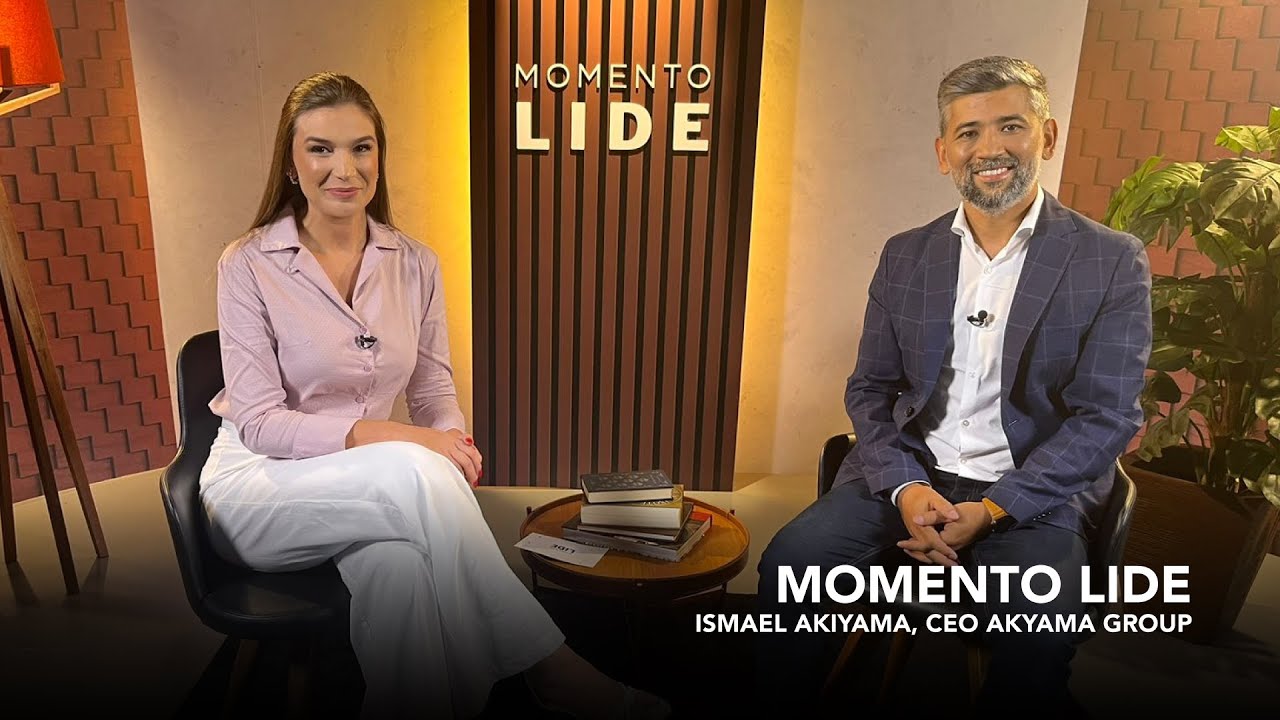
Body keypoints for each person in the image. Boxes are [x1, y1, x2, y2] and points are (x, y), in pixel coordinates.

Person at [198, 72, 671, 720]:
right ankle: (554, 670)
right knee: (416, 470)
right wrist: (414, 443)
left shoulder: (415, 262)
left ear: (380, 157)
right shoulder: (247, 263)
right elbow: (259, 424)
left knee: (400, 572)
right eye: (321, 148)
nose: (345, 169)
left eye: (362, 147)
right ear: (290, 162)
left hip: (373, 483)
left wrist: (450, 440)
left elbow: (432, 388)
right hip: (260, 487)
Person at [755, 56, 1152, 716]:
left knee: (1041, 629)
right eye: (969, 132)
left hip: (1033, 492)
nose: (989, 148)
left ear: (1047, 137)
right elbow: (871, 388)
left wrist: (995, 509)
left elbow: (1107, 416)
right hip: (911, 473)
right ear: (944, 154)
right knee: (793, 563)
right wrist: (906, 489)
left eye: (1010, 126)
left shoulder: (1110, 260)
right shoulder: (905, 254)